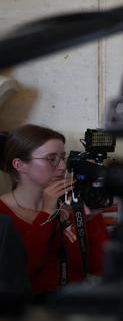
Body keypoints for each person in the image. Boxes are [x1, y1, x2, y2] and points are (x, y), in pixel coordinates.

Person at [0, 124, 107, 300]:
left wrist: (91, 219)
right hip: (30, 316)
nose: (62, 166)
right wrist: (48, 213)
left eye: (63, 157)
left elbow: (101, 268)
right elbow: (21, 271)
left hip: (77, 308)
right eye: (51, 159)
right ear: (20, 165)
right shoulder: (3, 214)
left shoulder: (70, 207)